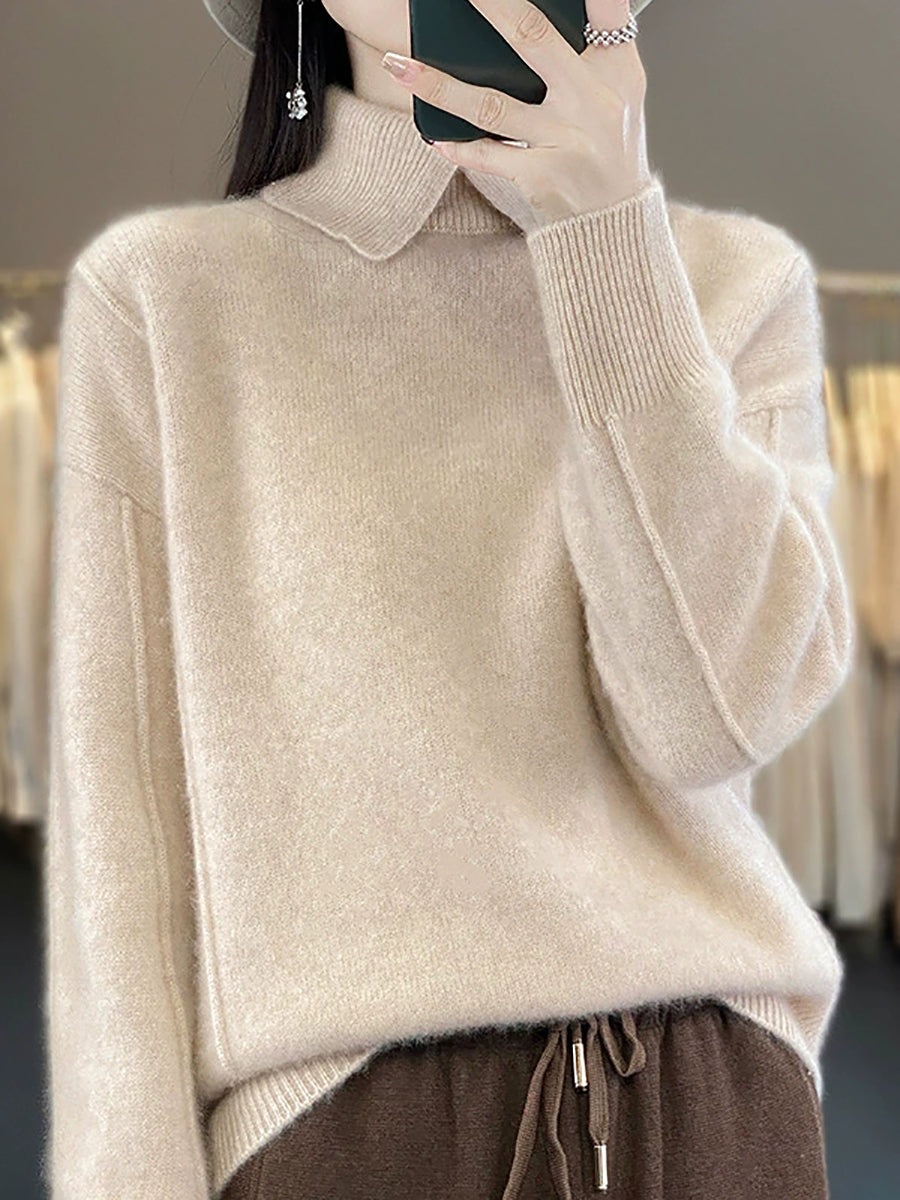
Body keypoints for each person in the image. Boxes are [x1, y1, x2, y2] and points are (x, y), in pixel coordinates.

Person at [43, 0, 853, 1197]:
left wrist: (608, 246)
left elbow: (711, 720)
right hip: (342, 1133)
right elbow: (125, 846)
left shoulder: (735, 286)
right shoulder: (167, 299)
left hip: (718, 1111)